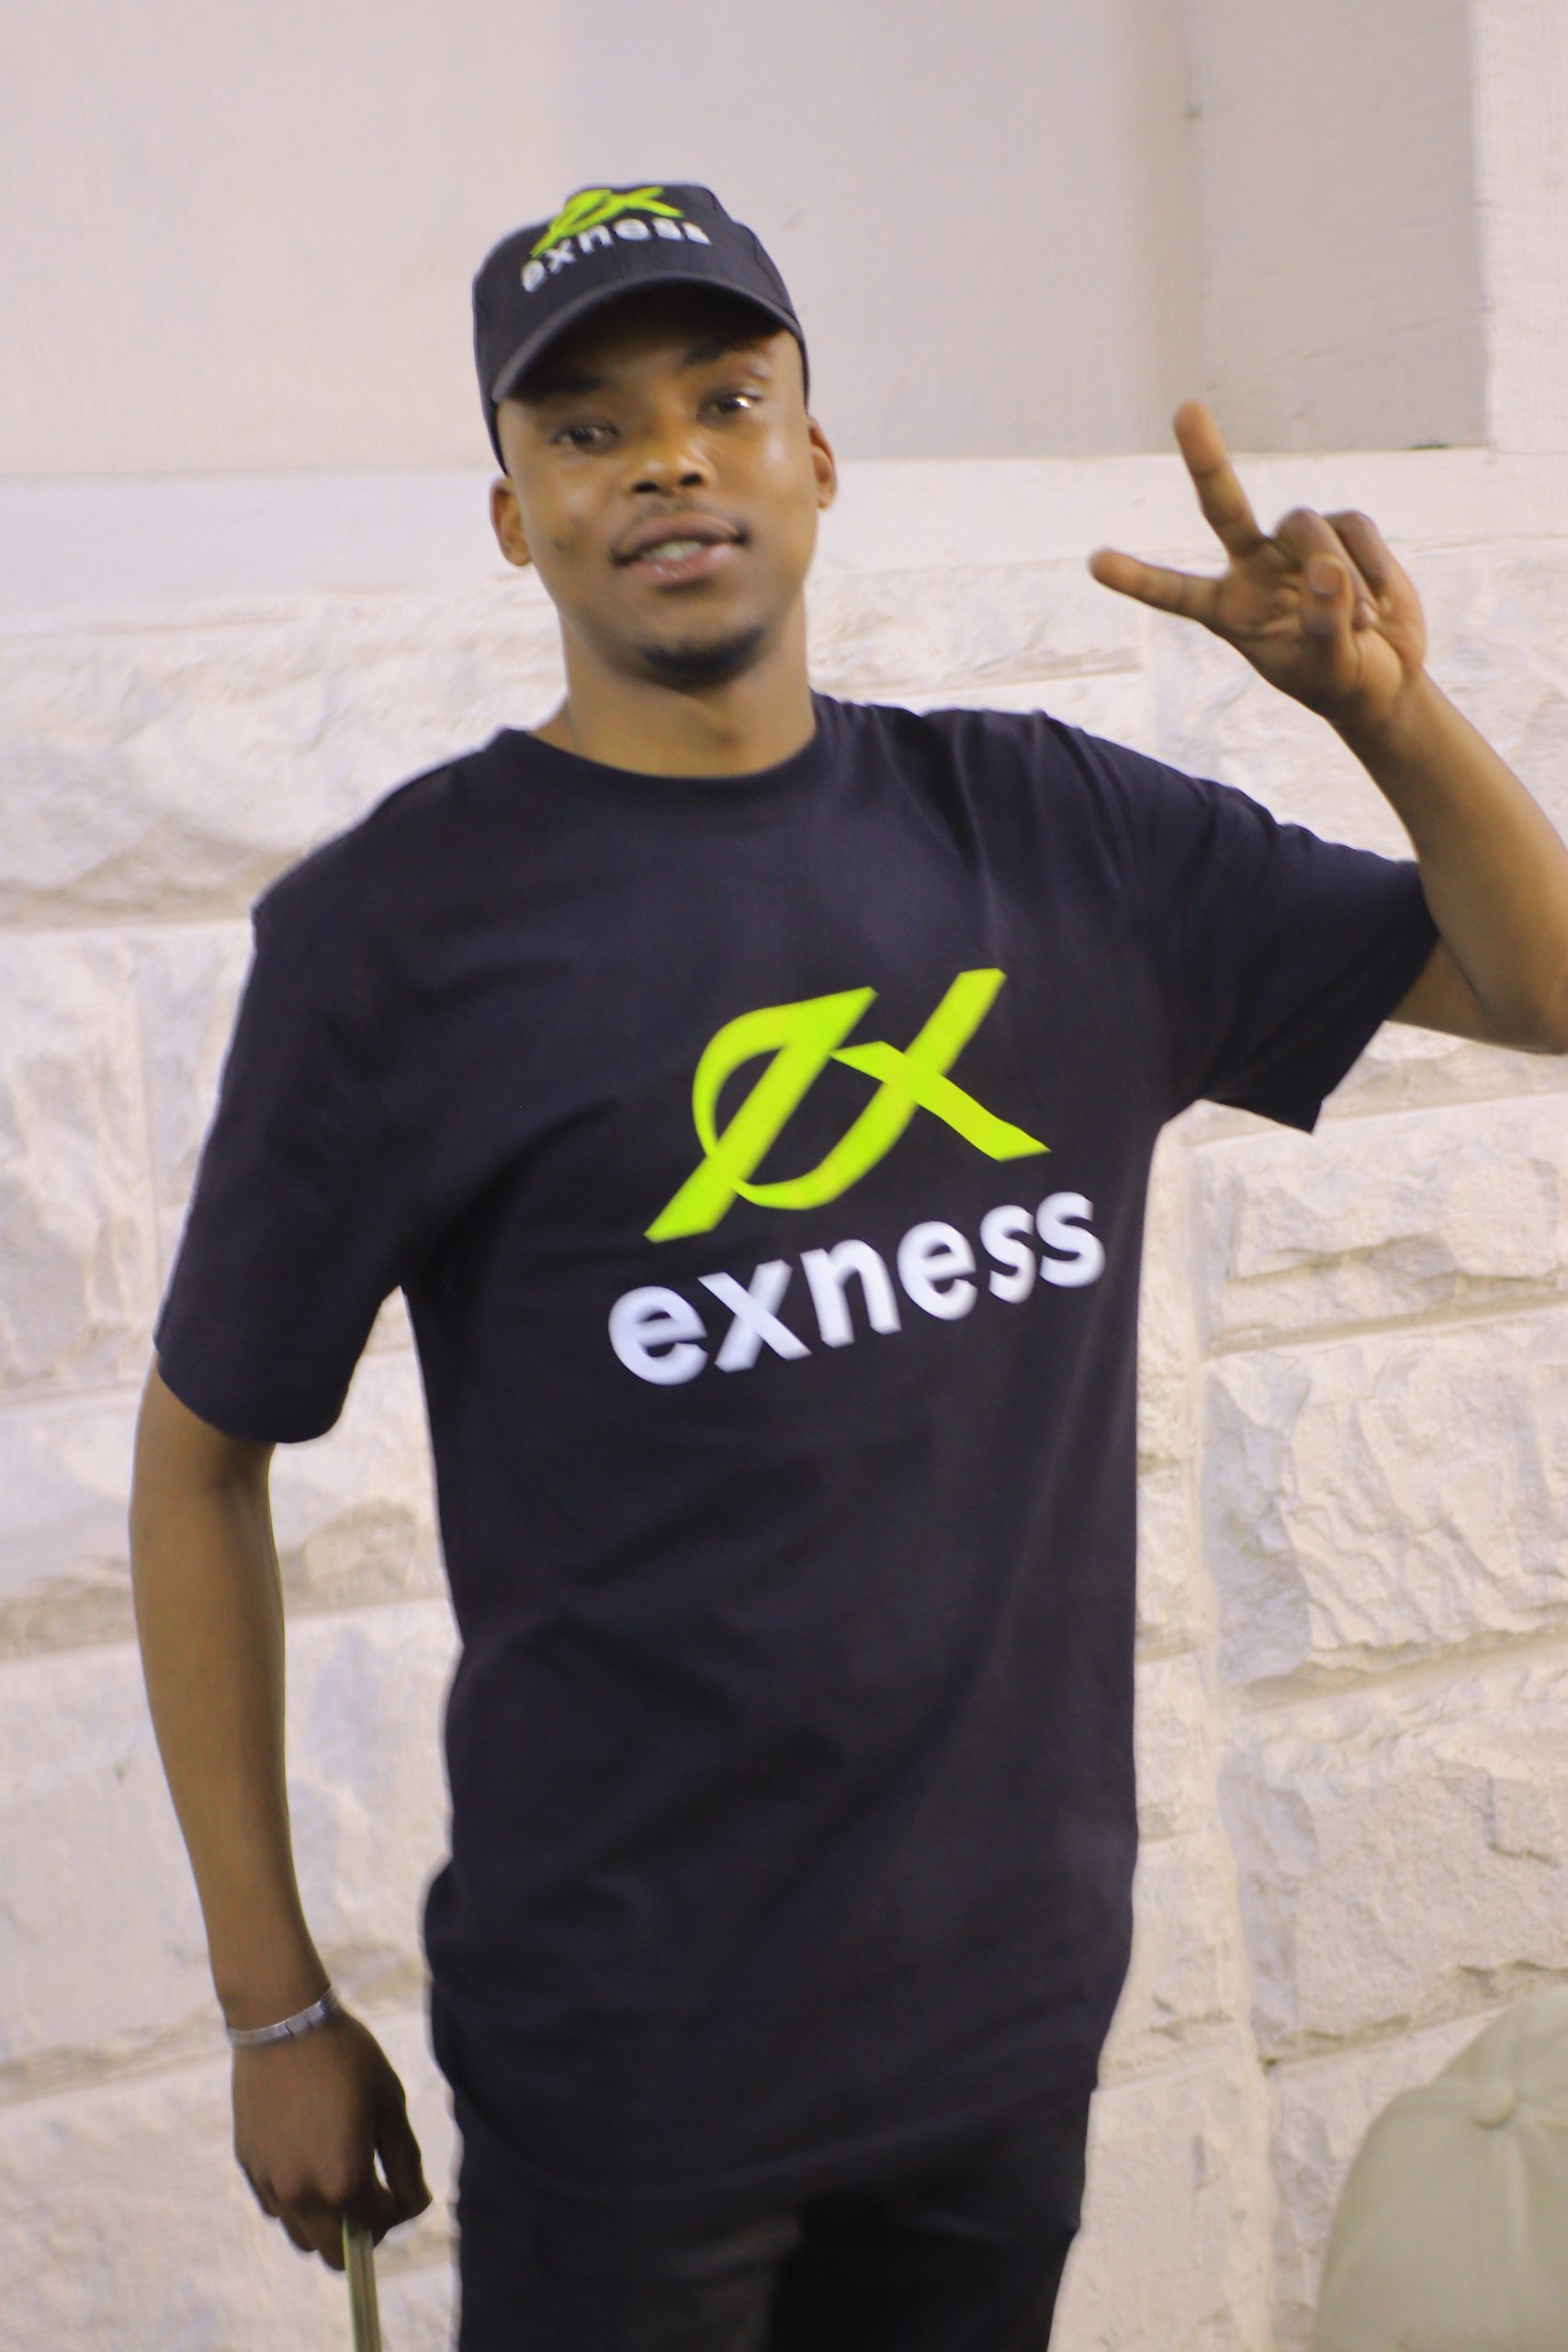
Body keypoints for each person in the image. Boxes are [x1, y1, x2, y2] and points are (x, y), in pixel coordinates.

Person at [128, 182, 1568, 2352]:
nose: (669, 461)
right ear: (513, 517)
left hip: (1001, 2029)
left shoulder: (1059, 838)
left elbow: (1534, 985)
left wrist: (1378, 708)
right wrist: (270, 2005)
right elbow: (197, 1458)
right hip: (627, 2074)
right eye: (589, 428)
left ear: (814, 455)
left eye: (723, 400)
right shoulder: (395, 937)